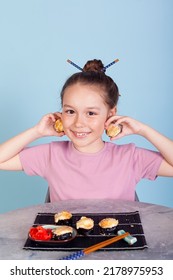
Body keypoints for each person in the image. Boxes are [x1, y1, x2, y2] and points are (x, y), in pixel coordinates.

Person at [0, 59, 173, 202]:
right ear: (61, 113)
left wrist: (144, 130)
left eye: (90, 113)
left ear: (111, 114)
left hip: (119, 243)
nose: (78, 123)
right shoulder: (51, 155)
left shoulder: (130, 157)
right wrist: (36, 132)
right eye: (70, 111)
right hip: (68, 243)